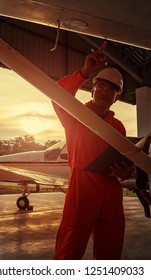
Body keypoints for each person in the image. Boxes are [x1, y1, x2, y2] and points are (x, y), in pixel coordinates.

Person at [52, 42, 134, 259]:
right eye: (101, 86)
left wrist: (127, 171)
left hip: (111, 186)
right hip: (82, 184)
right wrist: (85, 72)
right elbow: (57, 93)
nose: (105, 92)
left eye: (112, 89)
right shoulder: (75, 114)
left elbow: (124, 158)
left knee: (111, 242)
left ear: (117, 97)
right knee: (71, 243)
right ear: (93, 88)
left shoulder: (118, 127)